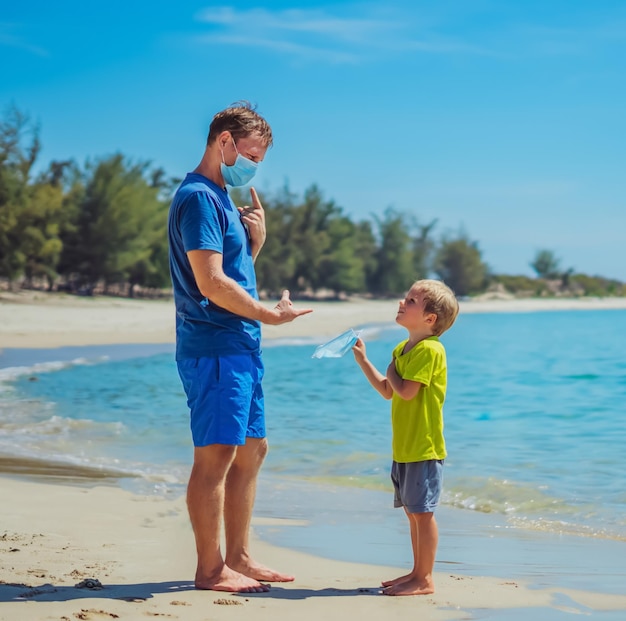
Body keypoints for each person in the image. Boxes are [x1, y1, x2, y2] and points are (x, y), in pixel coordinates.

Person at [167, 102, 312, 594]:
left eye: (259, 159)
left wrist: (256, 245)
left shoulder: (222, 200)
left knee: (252, 448)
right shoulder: (199, 199)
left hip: (240, 344)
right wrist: (269, 315)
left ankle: (240, 556)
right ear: (223, 141)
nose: (251, 166)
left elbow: (230, 271)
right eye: (248, 154)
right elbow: (209, 283)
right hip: (214, 346)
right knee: (217, 455)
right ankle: (210, 570)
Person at [351, 279, 459, 596]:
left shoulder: (431, 350)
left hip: (424, 447)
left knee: (423, 514)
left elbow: (408, 391)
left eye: (411, 301)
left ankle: (425, 579)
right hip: (405, 448)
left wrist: (393, 371)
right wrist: (365, 362)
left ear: (430, 319)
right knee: (413, 512)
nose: (402, 302)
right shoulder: (403, 349)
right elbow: (389, 390)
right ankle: (416, 572)